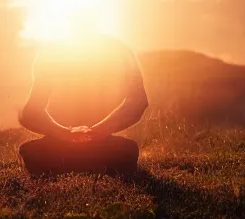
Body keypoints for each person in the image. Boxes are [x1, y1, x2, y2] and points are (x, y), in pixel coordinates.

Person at [18, 28, 148, 176]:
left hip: (97, 143)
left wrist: (94, 132)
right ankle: (92, 165)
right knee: (126, 150)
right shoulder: (119, 50)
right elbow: (30, 112)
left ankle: (66, 166)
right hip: (67, 143)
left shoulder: (118, 51)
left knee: (127, 149)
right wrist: (67, 133)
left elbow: (137, 101)